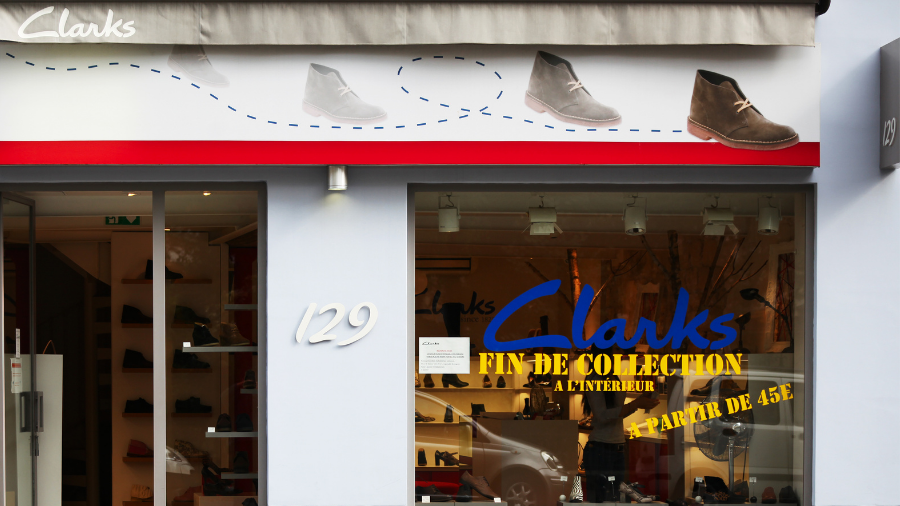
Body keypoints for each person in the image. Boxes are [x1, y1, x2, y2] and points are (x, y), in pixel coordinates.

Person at [581, 343, 659, 502]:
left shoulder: (611, 376)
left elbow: (616, 414)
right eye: (616, 349)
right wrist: (635, 405)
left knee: (616, 498)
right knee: (603, 499)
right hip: (601, 448)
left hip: (616, 448)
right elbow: (602, 416)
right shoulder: (595, 377)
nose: (621, 352)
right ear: (605, 351)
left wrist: (639, 401)